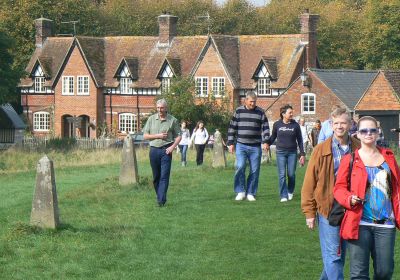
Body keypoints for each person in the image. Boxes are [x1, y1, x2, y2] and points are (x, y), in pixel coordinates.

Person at [334, 116, 400, 280]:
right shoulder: (349, 160)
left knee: (384, 272)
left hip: (386, 224)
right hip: (359, 222)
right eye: (364, 130)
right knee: (358, 274)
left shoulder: (389, 158)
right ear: (357, 134)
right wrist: (349, 198)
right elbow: (339, 188)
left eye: (373, 130)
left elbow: (397, 188)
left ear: (378, 133)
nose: (368, 133)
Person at [301, 107, 360, 280]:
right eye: (336, 123)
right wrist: (309, 212)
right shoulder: (320, 149)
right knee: (334, 257)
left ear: (350, 124)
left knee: (338, 257)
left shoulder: (357, 147)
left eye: (343, 123)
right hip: (328, 208)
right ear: (331, 124)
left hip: (351, 208)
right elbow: (309, 182)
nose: (339, 126)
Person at [227, 91, 270, 202]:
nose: (253, 104)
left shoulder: (260, 112)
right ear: (245, 100)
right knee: (240, 166)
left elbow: (265, 128)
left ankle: (251, 192)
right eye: (251, 101)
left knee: (254, 170)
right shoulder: (238, 111)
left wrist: (266, 141)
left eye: (254, 102)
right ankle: (240, 191)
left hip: (255, 146)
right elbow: (232, 127)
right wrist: (230, 143)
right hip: (241, 145)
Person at [143, 99, 181, 207]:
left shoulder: (173, 120)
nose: (159, 110)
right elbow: (145, 135)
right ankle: (160, 196)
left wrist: (173, 147)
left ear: (166, 108)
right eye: (158, 108)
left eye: (162, 108)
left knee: (164, 176)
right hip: (154, 150)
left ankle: (161, 200)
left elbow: (179, 136)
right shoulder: (151, 119)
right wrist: (158, 136)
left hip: (166, 150)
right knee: (156, 177)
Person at [266, 104, 305, 202]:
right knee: (282, 174)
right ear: (283, 114)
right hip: (280, 152)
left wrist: (302, 154)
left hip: (292, 153)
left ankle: (290, 191)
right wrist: (267, 143)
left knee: (291, 174)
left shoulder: (295, 125)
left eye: (292, 112)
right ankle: (283, 195)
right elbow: (273, 137)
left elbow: (300, 140)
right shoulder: (277, 124)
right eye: (290, 112)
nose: (292, 114)